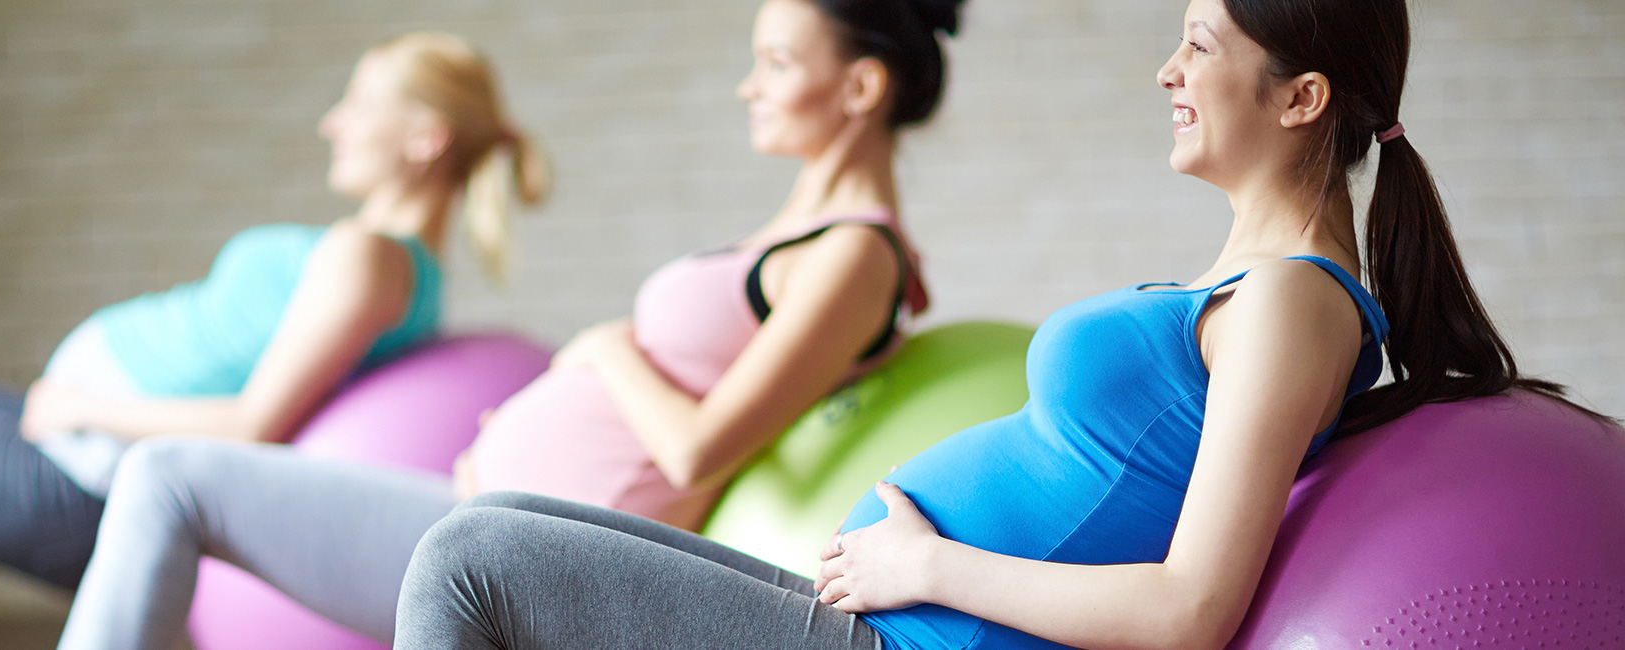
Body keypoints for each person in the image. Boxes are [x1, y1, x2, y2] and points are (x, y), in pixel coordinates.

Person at [388, 1, 1600, 649]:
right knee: (494, 523)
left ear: (1301, 95)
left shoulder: (1293, 300)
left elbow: (1190, 611)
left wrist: (927, 564)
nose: (1165, 72)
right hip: (876, 613)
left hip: (916, 641)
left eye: (1197, 42)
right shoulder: (1248, 279)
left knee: (467, 565)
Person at [49, 0, 952, 646]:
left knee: (172, 475)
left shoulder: (855, 255)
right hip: (478, 511)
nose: (747, 85)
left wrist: (605, 351)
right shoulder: (798, 233)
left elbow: (696, 451)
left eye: (778, 63)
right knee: (171, 478)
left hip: (547, 558)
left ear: (862, 86)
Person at [0, 31, 546, 650]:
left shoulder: (370, 260)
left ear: (424, 138)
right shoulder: (389, 261)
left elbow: (259, 424)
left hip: (85, 483)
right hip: (79, 447)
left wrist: (84, 404)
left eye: (360, 103)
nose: (333, 122)